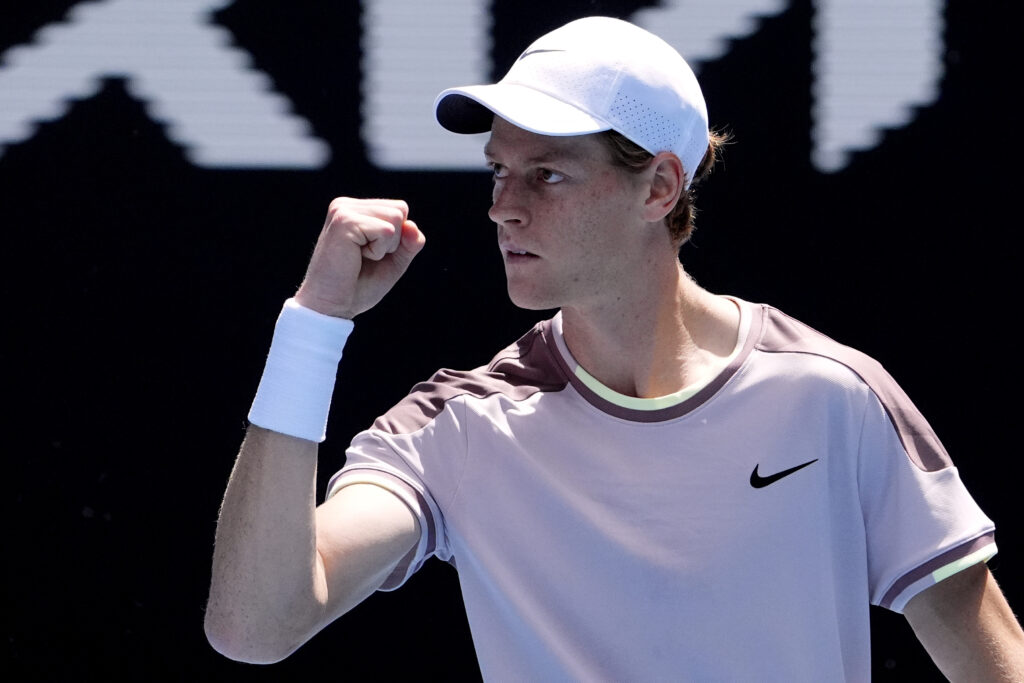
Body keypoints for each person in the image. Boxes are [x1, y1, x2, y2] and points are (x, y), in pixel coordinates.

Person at [204, 16, 1024, 680]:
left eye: (547, 174)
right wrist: (313, 324)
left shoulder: (834, 395)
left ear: (659, 187)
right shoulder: (456, 428)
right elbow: (256, 624)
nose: (502, 207)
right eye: (497, 171)